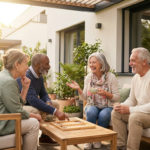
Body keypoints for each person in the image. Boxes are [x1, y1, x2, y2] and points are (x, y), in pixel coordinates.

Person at [67, 52, 120, 150]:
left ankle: (97, 139)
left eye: (94, 62)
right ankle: (88, 139)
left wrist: (106, 94)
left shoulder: (111, 77)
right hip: (93, 104)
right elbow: (85, 98)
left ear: (101, 64)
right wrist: (79, 89)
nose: (91, 65)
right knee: (91, 112)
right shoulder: (89, 77)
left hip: (108, 106)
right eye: (90, 62)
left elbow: (117, 97)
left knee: (103, 115)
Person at [17, 53, 68, 143]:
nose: (49, 66)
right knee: (36, 110)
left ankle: (45, 136)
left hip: (31, 103)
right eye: (47, 64)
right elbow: (32, 100)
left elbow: (43, 94)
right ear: (38, 65)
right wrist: (55, 112)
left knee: (54, 104)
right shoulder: (26, 75)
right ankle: (31, 140)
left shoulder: (39, 77)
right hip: (22, 105)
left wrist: (48, 101)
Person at [0, 49, 42, 150]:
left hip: (6, 117)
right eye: (25, 63)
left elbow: (18, 105)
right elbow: (17, 111)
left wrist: (25, 88)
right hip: (3, 124)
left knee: (32, 115)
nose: (28, 67)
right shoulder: (8, 82)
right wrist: (36, 116)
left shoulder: (5, 76)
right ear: (17, 64)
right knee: (34, 124)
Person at [111, 47, 150, 150]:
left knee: (134, 117)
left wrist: (131, 109)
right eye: (130, 60)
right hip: (139, 112)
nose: (130, 63)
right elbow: (132, 100)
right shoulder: (135, 78)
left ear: (144, 62)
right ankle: (120, 146)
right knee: (116, 113)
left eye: (133, 60)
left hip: (147, 115)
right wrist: (121, 106)